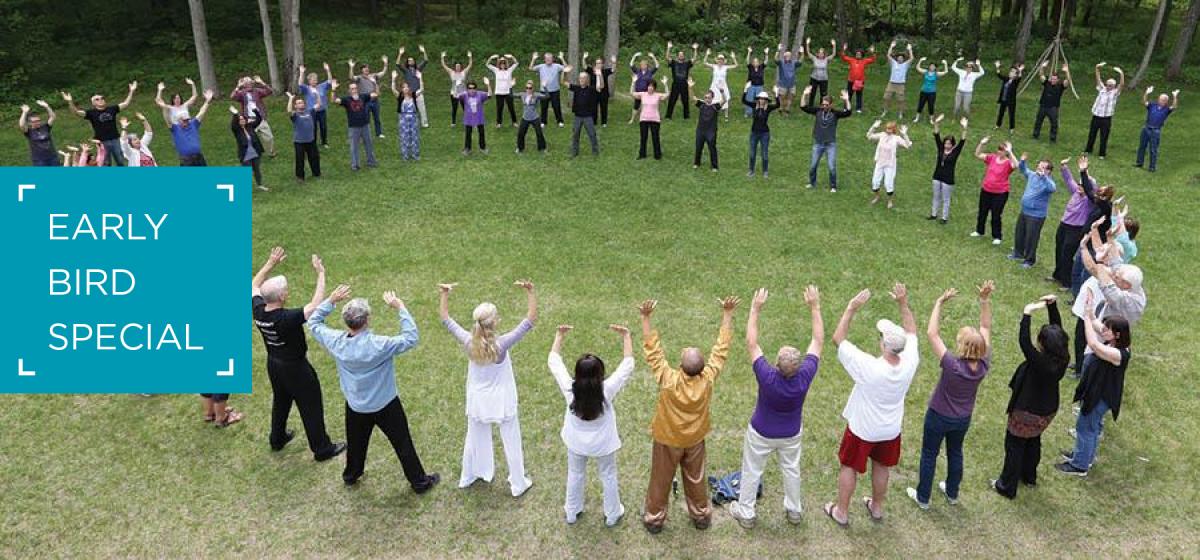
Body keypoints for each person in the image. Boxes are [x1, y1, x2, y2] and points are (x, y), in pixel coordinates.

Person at [307, 284, 441, 493]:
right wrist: (400, 307)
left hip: (356, 405)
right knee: (402, 442)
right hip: (386, 403)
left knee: (356, 443)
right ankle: (419, 482)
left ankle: (351, 474)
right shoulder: (380, 345)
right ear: (367, 320)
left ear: (347, 322)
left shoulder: (335, 341)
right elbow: (411, 338)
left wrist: (331, 300)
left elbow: (313, 322)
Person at [639, 296, 739, 533]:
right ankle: (701, 516)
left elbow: (653, 351)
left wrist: (645, 318)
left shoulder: (669, 379)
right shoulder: (708, 379)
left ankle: (654, 519)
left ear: (681, 366)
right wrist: (727, 314)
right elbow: (721, 350)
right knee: (696, 478)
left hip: (667, 439)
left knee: (660, 480)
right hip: (694, 439)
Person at [823, 284, 918, 527]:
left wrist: (851, 308)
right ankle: (877, 508)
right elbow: (911, 330)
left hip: (863, 428)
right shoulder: (910, 361)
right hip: (890, 428)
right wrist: (903, 303)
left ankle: (842, 512)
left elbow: (838, 339)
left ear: (884, 345)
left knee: (848, 466)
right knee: (882, 466)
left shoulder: (869, 367)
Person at [728, 286, 823, 529]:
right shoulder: (805, 376)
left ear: (777, 364)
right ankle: (794, 511)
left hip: (761, 432)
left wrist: (755, 309)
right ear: (797, 366)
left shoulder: (767, 375)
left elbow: (751, 342)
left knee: (751, 470)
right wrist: (814, 307)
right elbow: (818, 340)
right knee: (792, 471)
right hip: (790, 434)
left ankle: (746, 513)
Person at [439, 281, 537, 497]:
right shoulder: (501, 345)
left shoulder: (468, 342)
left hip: (477, 400)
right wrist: (531, 292)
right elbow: (529, 321)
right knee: (512, 441)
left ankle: (469, 475)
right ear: (495, 322)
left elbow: (446, 319)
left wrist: (445, 294)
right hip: (502, 400)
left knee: (473, 437)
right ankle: (518, 483)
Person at [250, 247, 346, 462]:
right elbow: (314, 307)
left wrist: (270, 263)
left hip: (273, 364)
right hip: (296, 368)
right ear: (283, 296)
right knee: (310, 405)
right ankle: (322, 448)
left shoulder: (258, 309)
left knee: (281, 400)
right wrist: (321, 274)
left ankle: (277, 438)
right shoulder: (286, 317)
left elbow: (253, 285)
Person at [905, 282, 993, 510]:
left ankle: (923, 497)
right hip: (962, 418)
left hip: (938, 415)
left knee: (929, 454)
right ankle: (952, 493)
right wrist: (984, 301)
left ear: (962, 346)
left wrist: (938, 303)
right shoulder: (984, 363)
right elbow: (985, 327)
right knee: (955, 452)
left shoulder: (952, 364)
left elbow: (932, 333)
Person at [548, 323, 636, 527]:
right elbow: (627, 365)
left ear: (577, 374)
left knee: (575, 473)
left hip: (576, 442)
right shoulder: (607, 390)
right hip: (603, 444)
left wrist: (559, 336)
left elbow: (554, 362)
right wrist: (626, 337)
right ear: (600, 374)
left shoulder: (570, 389)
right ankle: (612, 515)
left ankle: (572, 511)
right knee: (608, 475)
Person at [991, 294, 1069, 499]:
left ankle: (1006, 486)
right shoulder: (1062, 357)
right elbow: (1058, 331)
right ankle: (1029, 476)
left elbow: (1024, 341)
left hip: (1027, 410)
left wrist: (1027, 314)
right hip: (1047, 411)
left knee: (1015, 445)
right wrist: (1052, 307)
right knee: (1033, 440)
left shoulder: (1040, 362)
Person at [1058, 290, 1132, 477]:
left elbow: (1093, 344)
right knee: (1091, 426)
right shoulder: (1114, 341)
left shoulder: (1118, 353)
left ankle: (1080, 465)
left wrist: (1085, 319)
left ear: (1116, 334)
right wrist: (1089, 309)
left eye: (1107, 330)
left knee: (1085, 427)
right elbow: (1095, 322)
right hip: (1096, 392)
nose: (1103, 331)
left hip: (1100, 396)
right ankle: (1084, 456)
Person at [61, 81, 137, 166]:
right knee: (106, 163)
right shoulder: (91, 113)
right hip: (102, 142)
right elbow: (76, 112)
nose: (101, 100)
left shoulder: (112, 109)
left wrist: (132, 91)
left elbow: (125, 103)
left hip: (115, 139)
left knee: (120, 161)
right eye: (97, 99)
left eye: (102, 98)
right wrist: (70, 101)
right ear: (93, 103)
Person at [1049, 156, 1096, 290]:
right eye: (1079, 185)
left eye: (1083, 186)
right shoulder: (1075, 192)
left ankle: (1067, 282)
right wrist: (1064, 167)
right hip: (1064, 225)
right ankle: (1057, 275)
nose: (1080, 187)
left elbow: (1091, 188)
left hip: (1076, 229)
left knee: (1067, 254)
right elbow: (1069, 179)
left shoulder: (1090, 200)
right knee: (1059, 249)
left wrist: (1085, 171)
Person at [1008, 154, 1058, 269]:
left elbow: (1053, 188)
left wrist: (1043, 177)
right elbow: (1023, 169)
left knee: (1031, 238)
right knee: (1020, 233)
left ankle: (1029, 260)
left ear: (1048, 171)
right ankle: (1018, 253)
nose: (1039, 169)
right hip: (1025, 211)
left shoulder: (1048, 182)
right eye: (1038, 166)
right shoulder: (1032, 176)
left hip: (1036, 216)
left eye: (1042, 168)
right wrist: (1023, 161)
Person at [801, 87, 853, 192]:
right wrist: (804, 94)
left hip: (830, 144)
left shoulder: (835, 113)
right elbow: (803, 107)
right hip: (818, 143)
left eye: (826, 105)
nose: (824, 106)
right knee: (813, 165)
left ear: (831, 104)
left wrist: (847, 100)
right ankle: (812, 183)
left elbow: (848, 112)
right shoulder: (818, 111)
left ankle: (833, 186)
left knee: (831, 166)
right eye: (823, 104)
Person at [972, 137, 1018, 245]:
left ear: (1006, 152)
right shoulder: (992, 158)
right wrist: (981, 143)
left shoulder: (1008, 163)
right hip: (986, 190)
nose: (999, 151)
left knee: (996, 215)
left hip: (1000, 193)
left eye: (1002, 150)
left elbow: (1016, 165)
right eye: (999, 149)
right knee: (982, 212)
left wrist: (1010, 152)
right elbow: (977, 154)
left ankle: (997, 236)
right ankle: (979, 231)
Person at [330, 79, 379, 171]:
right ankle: (355, 165)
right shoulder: (346, 100)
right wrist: (333, 89)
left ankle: (371, 161)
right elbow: (333, 100)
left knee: (368, 144)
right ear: (349, 91)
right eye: (352, 89)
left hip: (365, 125)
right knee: (354, 146)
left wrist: (374, 83)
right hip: (354, 127)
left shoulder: (363, 97)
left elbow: (376, 94)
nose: (354, 90)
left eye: (355, 88)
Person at [929, 115, 969, 223]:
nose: (947, 145)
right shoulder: (941, 149)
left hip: (948, 178)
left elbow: (962, 141)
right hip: (937, 176)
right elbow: (936, 135)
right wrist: (936, 123)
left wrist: (964, 128)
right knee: (936, 196)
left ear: (952, 145)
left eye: (949, 144)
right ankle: (933, 214)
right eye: (945, 143)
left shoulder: (955, 152)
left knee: (946, 198)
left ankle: (944, 217)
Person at [866, 120, 913, 208]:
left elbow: (908, 146)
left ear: (894, 129)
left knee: (888, 184)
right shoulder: (882, 135)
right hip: (880, 163)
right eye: (887, 128)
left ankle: (890, 200)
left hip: (890, 165)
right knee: (875, 182)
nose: (888, 130)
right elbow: (869, 136)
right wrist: (874, 127)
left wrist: (905, 134)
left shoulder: (896, 138)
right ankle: (877, 196)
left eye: (890, 129)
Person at [1084, 62, 1124, 159]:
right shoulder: (1102, 89)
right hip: (1096, 116)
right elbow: (1098, 78)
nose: (1108, 86)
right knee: (1092, 133)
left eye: (1111, 85)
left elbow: (1122, 85)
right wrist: (1097, 68)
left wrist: (1121, 73)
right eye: (1107, 84)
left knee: (1104, 136)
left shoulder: (1115, 93)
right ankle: (1088, 150)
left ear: (1114, 86)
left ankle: (1102, 154)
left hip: (1106, 118)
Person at [1135, 86, 1179, 172]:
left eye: (1163, 100)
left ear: (1166, 102)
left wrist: (1175, 96)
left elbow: (1174, 106)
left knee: (1153, 149)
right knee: (1142, 147)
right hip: (1146, 128)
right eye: (1160, 99)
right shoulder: (1152, 105)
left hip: (1155, 130)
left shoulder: (1166, 109)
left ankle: (1152, 167)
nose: (1161, 101)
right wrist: (1146, 93)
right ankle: (1139, 163)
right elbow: (1144, 102)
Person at [229, 76, 276, 158]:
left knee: (269, 137)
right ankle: (251, 154)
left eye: (250, 81)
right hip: (249, 120)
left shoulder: (257, 91)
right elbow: (232, 97)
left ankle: (271, 152)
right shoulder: (241, 93)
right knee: (249, 139)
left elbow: (270, 91)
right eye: (246, 82)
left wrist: (261, 82)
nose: (249, 83)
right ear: (244, 84)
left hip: (260, 118)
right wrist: (238, 86)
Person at [165, 90, 214, 166]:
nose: (186, 122)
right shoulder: (175, 128)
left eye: (187, 120)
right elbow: (167, 120)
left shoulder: (193, 124)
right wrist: (165, 109)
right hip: (186, 160)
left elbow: (202, 112)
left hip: (199, 157)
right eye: (184, 120)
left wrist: (207, 101)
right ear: (179, 120)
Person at [743, 87, 780, 178]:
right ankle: (751, 170)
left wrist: (776, 94)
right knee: (752, 153)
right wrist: (745, 90)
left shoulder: (768, 108)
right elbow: (744, 100)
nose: (761, 100)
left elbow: (778, 105)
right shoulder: (754, 105)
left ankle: (765, 171)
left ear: (766, 100)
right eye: (760, 98)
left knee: (764, 153)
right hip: (754, 133)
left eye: (763, 99)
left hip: (764, 134)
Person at [284, 91, 321, 181]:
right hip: (299, 142)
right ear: (295, 106)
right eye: (298, 103)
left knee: (314, 157)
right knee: (300, 160)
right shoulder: (295, 115)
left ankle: (316, 173)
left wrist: (317, 95)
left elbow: (318, 104)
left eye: (302, 102)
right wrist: (291, 99)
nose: (301, 104)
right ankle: (300, 177)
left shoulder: (310, 111)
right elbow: (289, 111)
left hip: (311, 140)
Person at [348, 57, 388, 138]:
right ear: (361, 70)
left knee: (377, 118)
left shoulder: (373, 76)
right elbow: (351, 77)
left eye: (367, 68)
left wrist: (385, 64)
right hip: (365, 101)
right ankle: (365, 134)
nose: (366, 69)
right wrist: (351, 67)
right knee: (365, 118)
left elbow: (383, 72)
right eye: (364, 68)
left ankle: (379, 133)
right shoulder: (359, 78)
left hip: (375, 100)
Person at [230, 107, 268, 192]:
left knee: (257, 169)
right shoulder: (237, 130)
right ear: (238, 122)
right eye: (240, 120)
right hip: (245, 153)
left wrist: (255, 110)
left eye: (243, 119)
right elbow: (233, 124)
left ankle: (260, 185)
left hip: (255, 152)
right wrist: (235, 114)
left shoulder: (250, 126)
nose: (242, 120)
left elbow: (259, 119)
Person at [1032, 62, 1071, 143]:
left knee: (1054, 124)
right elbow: (1041, 75)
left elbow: (1068, 81)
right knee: (1038, 121)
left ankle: (1052, 139)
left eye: (1055, 79)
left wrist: (1066, 71)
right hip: (1043, 106)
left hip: (1053, 108)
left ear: (1057, 80)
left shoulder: (1060, 86)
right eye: (1052, 78)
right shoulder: (1047, 83)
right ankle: (1035, 135)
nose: (1053, 80)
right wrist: (1042, 67)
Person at [297, 63, 334, 148]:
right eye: (313, 80)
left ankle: (324, 142)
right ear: (309, 81)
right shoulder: (306, 89)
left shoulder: (322, 86)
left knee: (323, 127)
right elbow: (300, 84)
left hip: (322, 111)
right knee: (313, 128)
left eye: (316, 79)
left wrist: (328, 70)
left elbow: (329, 81)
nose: (315, 81)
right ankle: (313, 143)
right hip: (311, 112)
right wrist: (302, 72)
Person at [567, 69, 602, 157]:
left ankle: (595, 152)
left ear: (587, 80)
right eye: (580, 78)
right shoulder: (577, 88)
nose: (581, 80)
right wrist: (565, 72)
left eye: (583, 78)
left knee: (592, 134)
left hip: (588, 117)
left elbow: (600, 86)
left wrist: (598, 75)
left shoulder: (591, 89)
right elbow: (563, 82)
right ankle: (574, 152)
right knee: (575, 135)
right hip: (577, 116)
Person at [690, 78, 723, 171]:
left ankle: (714, 166)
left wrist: (722, 92)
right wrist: (690, 88)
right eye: (705, 97)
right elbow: (693, 98)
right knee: (698, 147)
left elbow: (724, 100)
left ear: (712, 98)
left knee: (712, 148)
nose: (706, 99)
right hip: (700, 130)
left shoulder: (715, 106)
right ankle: (697, 163)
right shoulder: (701, 105)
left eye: (708, 98)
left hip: (711, 131)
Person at [631, 77, 667, 160]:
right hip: (644, 119)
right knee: (643, 137)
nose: (650, 87)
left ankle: (657, 155)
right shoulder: (643, 94)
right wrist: (633, 82)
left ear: (654, 87)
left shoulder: (658, 95)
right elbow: (632, 93)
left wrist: (665, 84)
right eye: (649, 86)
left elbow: (667, 95)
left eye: (652, 86)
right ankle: (642, 154)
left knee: (655, 137)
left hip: (655, 120)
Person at [390, 72, 423, 161]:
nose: (406, 88)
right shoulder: (400, 97)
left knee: (414, 136)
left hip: (413, 118)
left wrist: (420, 78)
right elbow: (393, 89)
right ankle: (405, 155)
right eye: (404, 87)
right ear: (401, 89)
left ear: (409, 88)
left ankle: (415, 155)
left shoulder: (413, 96)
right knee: (404, 137)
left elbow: (422, 89)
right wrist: (393, 79)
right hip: (403, 119)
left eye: (407, 87)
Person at [396, 45, 431, 128]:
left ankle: (424, 123)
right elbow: (397, 64)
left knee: (422, 108)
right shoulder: (405, 70)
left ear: (414, 62)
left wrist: (424, 51)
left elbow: (426, 60)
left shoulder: (418, 69)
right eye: (409, 61)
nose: (410, 61)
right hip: (410, 93)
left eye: (412, 60)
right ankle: (413, 123)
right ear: (407, 63)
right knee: (412, 109)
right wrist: (400, 54)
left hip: (418, 92)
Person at [530, 51, 566, 127]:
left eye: (550, 58)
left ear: (552, 59)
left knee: (556, 106)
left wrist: (562, 58)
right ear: (544, 59)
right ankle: (543, 122)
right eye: (547, 58)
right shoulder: (541, 66)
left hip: (555, 91)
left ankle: (560, 121)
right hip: (543, 91)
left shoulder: (557, 66)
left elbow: (566, 68)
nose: (548, 60)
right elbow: (530, 68)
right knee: (544, 107)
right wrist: (533, 59)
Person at [664, 41, 698, 119]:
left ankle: (686, 116)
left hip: (684, 84)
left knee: (685, 101)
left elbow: (695, 59)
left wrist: (695, 49)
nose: (681, 55)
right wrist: (668, 48)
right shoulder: (674, 63)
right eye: (679, 54)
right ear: (678, 56)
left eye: (682, 55)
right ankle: (668, 116)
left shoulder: (687, 63)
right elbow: (667, 57)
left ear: (684, 56)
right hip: (675, 84)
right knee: (672, 100)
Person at [881, 42, 914, 120]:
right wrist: (891, 46)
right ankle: (885, 111)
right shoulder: (893, 63)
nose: (900, 59)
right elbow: (888, 55)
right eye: (899, 58)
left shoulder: (905, 65)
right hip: (891, 83)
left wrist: (910, 49)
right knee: (886, 97)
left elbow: (912, 58)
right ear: (897, 58)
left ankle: (900, 113)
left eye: (901, 58)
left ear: (903, 59)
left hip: (900, 85)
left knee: (901, 100)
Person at [19, 100, 58, 166]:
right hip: (39, 160)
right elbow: (21, 125)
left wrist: (47, 106)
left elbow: (53, 117)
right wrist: (24, 112)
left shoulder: (45, 127)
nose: (37, 122)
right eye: (34, 121)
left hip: (52, 157)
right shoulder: (28, 131)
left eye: (38, 120)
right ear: (30, 123)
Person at [459, 79, 492, 155]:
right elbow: (455, 96)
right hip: (468, 118)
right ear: (467, 89)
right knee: (468, 133)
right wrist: (456, 86)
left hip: (479, 117)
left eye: (473, 88)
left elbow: (490, 95)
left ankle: (483, 148)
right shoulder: (464, 95)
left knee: (481, 133)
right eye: (470, 88)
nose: (472, 90)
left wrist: (488, 84)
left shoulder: (480, 94)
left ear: (476, 88)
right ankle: (468, 149)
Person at [703, 49, 738, 120]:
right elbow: (704, 62)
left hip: (723, 85)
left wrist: (733, 58)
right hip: (714, 85)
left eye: (722, 59)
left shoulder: (725, 67)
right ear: (717, 60)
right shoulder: (714, 66)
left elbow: (736, 65)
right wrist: (707, 54)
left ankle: (726, 115)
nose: (720, 60)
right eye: (719, 59)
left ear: (723, 61)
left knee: (725, 98)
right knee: (714, 98)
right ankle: (713, 112)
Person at [840, 44, 877, 113]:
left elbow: (873, 59)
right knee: (849, 95)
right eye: (857, 54)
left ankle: (858, 108)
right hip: (851, 80)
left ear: (862, 55)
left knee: (859, 95)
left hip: (860, 82)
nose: (858, 55)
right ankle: (846, 107)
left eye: (859, 54)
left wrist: (872, 52)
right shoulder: (851, 60)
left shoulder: (864, 61)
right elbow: (843, 57)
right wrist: (844, 49)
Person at [441, 51, 473, 127]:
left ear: (461, 67)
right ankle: (453, 122)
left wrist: (470, 56)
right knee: (454, 108)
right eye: (456, 66)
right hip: (454, 93)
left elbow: (470, 65)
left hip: (463, 93)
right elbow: (444, 65)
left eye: (459, 66)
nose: (458, 67)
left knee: (465, 107)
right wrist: (442, 57)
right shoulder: (451, 72)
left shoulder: (463, 72)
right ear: (455, 67)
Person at [803, 38, 838, 109]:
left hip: (824, 79)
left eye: (822, 53)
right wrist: (807, 44)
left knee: (823, 94)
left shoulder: (826, 59)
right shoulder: (814, 58)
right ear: (817, 54)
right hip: (814, 78)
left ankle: (822, 106)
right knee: (812, 92)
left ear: (824, 54)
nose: (821, 54)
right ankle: (810, 105)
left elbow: (834, 54)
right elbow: (808, 52)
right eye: (819, 53)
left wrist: (834, 45)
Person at [486, 54, 519, 127]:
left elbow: (516, 63)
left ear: (506, 63)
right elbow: (487, 64)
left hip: (508, 92)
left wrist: (512, 57)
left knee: (511, 108)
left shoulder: (509, 70)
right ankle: (499, 123)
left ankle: (514, 122)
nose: (502, 64)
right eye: (501, 63)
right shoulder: (496, 70)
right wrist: (491, 57)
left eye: (504, 63)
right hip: (499, 92)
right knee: (499, 108)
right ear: (499, 64)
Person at [516, 80, 548, 154]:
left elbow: (547, 96)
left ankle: (542, 148)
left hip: (535, 117)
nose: (528, 89)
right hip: (525, 118)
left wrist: (545, 87)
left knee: (539, 133)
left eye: (530, 88)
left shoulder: (536, 95)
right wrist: (511, 86)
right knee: (521, 133)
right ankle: (520, 148)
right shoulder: (522, 94)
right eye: (527, 88)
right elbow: (510, 95)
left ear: (533, 88)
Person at [628, 51, 660, 124]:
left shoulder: (650, 72)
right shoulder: (637, 71)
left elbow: (657, 66)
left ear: (647, 65)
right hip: (638, 92)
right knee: (636, 105)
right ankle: (632, 119)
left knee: (646, 105)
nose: (643, 66)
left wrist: (653, 57)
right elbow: (631, 64)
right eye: (641, 65)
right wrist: (634, 56)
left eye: (644, 65)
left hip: (647, 92)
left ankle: (646, 118)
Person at [993, 62, 1025, 134]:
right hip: (1003, 99)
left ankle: (1012, 128)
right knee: (1001, 113)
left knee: (1011, 114)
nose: (1011, 73)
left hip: (1011, 101)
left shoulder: (1015, 81)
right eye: (1011, 71)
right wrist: (997, 67)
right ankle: (998, 125)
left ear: (1015, 74)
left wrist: (1020, 70)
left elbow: (1020, 77)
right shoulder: (1006, 79)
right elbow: (999, 75)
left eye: (1013, 72)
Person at [914, 58, 949, 123]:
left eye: (933, 66)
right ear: (929, 66)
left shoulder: (936, 74)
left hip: (932, 92)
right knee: (921, 105)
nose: (932, 67)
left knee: (931, 105)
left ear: (935, 67)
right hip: (923, 91)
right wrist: (920, 60)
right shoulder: (926, 72)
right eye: (931, 66)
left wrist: (945, 64)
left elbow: (946, 72)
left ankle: (931, 119)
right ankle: (917, 118)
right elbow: (917, 68)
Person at [585, 55, 617, 126]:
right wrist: (584, 58)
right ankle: (594, 121)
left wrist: (614, 62)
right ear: (595, 64)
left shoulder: (605, 71)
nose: (598, 64)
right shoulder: (592, 71)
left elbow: (613, 70)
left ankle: (604, 122)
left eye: (600, 63)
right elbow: (585, 66)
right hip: (593, 93)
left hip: (604, 93)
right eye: (597, 63)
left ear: (602, 64)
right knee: (593, 108)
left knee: (604, 108)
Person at [774, 44, 801, 115]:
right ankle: (781, 108)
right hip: (783, 84)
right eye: (786, 55)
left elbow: (800, 62)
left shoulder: (794, 62)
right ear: (784, 56)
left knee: (791, 96)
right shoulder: (781, 62)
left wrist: (802, 53)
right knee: (782, 97)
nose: (788, 57)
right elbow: (775, 60)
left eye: (789, 55)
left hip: (792, 84)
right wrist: (778, 50)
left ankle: (787, 109)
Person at [743, 47, 770, 117]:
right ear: (752, 63)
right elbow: (747, 60)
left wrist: (766, 54)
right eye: (754, 61)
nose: (755, 63)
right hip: (751, 85)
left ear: (759, 62)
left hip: (759, 86)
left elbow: (766, 61)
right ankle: (748, 112)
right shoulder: (750, 67)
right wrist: (749, 52)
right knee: (749, 99)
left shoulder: (761, 67)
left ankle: (758, 112)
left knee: (759, 100)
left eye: (757, 61)